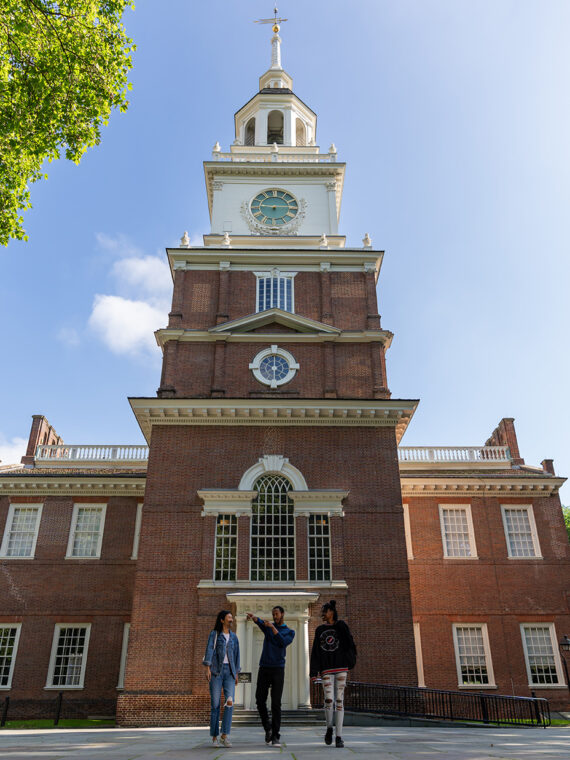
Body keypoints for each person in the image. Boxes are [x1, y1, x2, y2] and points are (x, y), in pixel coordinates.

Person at [310, 599, 356, 748]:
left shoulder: (341, 626)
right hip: (326, 669)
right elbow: (315, 652)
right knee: (329, 699)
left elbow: (350, 643)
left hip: (341, 667)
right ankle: (329, 728)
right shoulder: (319, 630)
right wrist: (313, 672)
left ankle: (339, 737)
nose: (322, 613)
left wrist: (350, 661)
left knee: (339, 700)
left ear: (331, 612)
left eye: (325, 611)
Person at [246, 606, 295, 747]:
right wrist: (254, 617)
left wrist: (273, 628)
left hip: (278, 670)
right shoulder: (268, 628)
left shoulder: (289, 632)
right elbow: (260, 622)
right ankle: (268, 728)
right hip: (264, 668)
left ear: (282, 614)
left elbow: (283, 643)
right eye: (273, 614)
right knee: (259, 700)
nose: (274, 616)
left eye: (277, 614)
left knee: (276, 704)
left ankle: (275, 736)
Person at [203, 609, 240, 748]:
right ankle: (214, 737)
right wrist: (207, 668)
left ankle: (225, 735)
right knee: (215, 705)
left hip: (229, 673)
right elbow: (209, 650)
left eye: (232, 617)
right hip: (216, 672)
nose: (231, 619)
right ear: (222, 620)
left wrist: (236, 673)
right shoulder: (214, 634)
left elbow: (237, 655)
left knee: (230, 702)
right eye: (229, 617)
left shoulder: (234, 637)